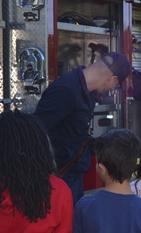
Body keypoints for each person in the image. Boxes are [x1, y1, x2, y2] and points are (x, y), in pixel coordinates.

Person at [34, 51, 131, 203]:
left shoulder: (84, 91)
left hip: (70, 175)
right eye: (115, 86)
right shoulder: (66, 91)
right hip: (59, 177)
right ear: (113, 79)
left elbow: (74, 133)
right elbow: (34, 130)